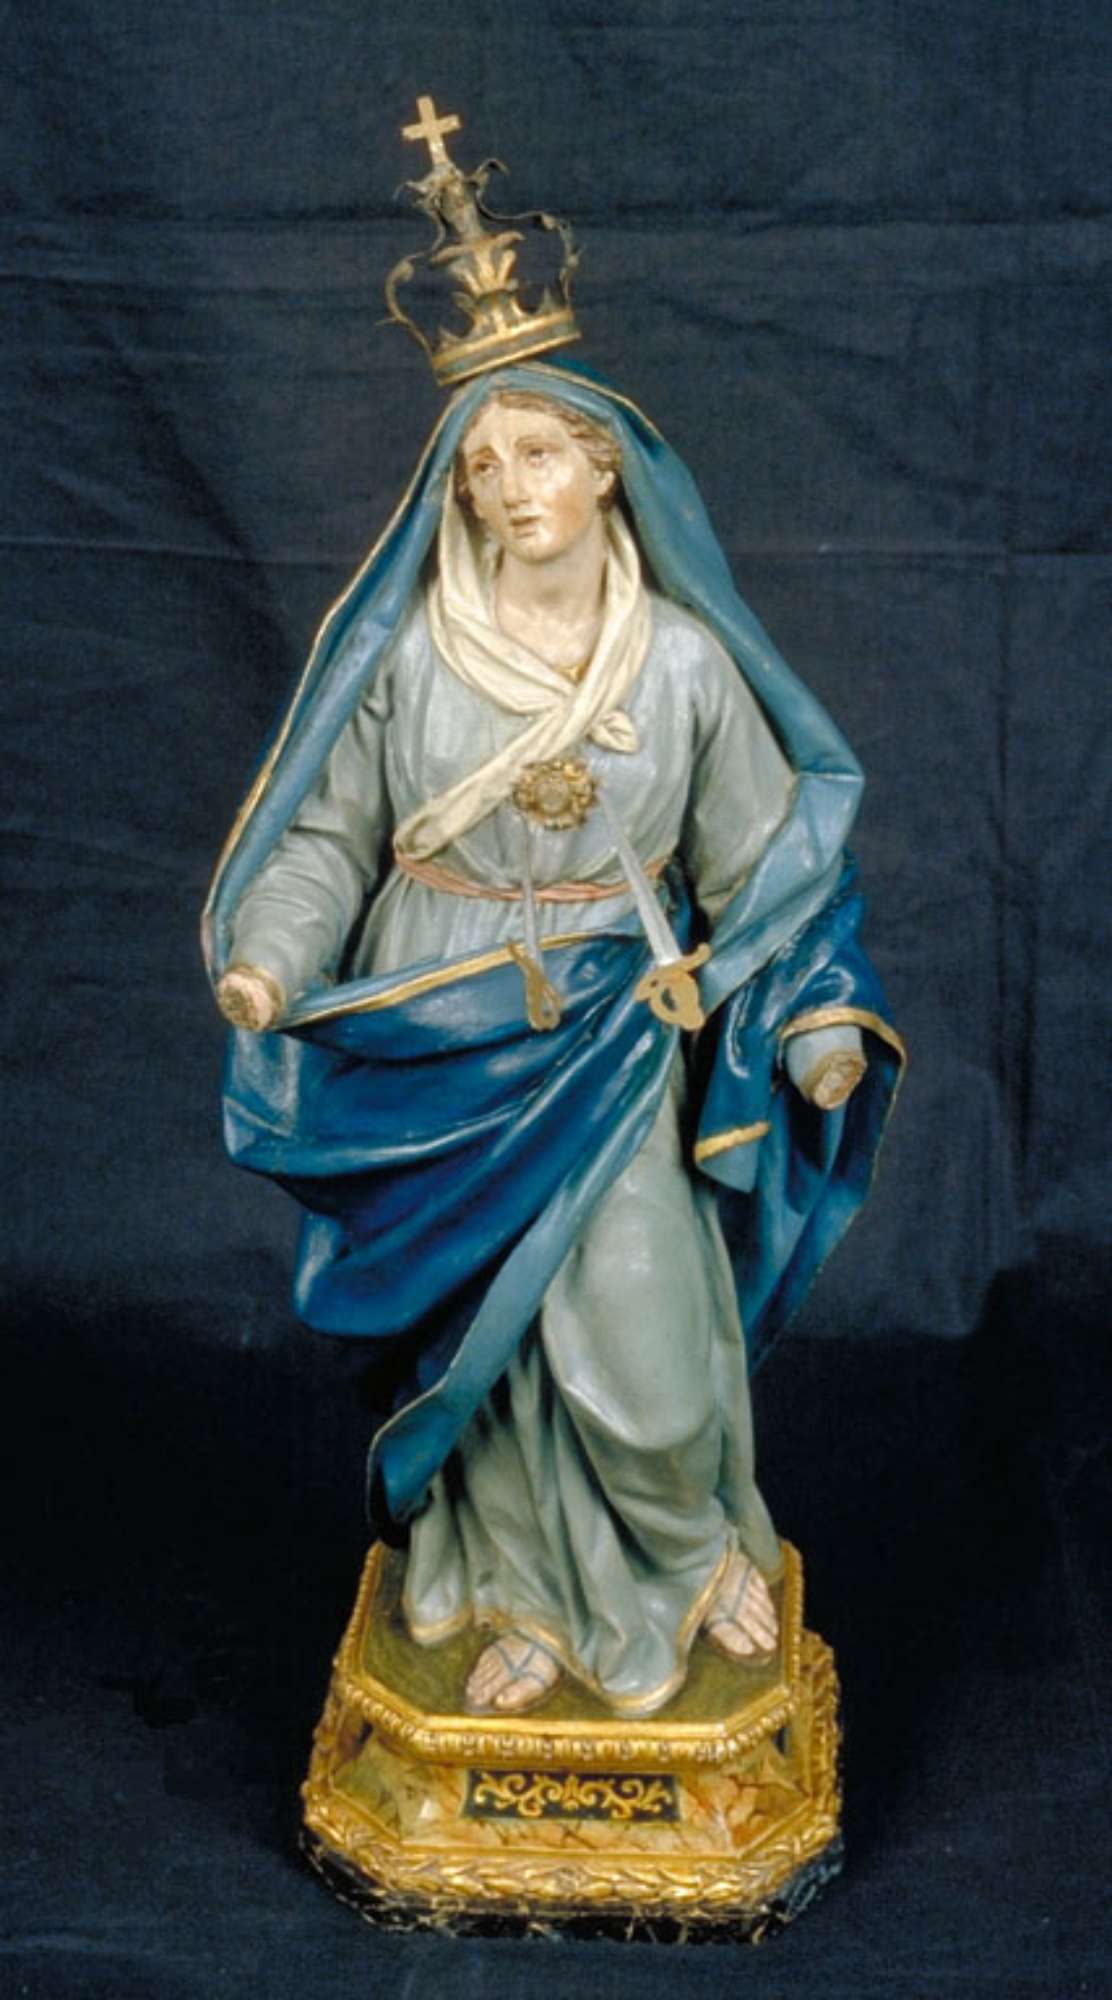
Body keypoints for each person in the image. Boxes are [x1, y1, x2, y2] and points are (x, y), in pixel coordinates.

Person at [205, 360, 902, 1720]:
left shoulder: (683, 662)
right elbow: (329, 838)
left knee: (642, 1328)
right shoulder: (411, 655)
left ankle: (690, 1552)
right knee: (488, 1341)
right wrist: (271, 958)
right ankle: (519, 1593)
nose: (509, 486)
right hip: (437, 1029)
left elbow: (770, 872)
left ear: (604, 468)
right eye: (482, 465)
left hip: (609, 1034)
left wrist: (815, 1022)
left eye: (538, 453)